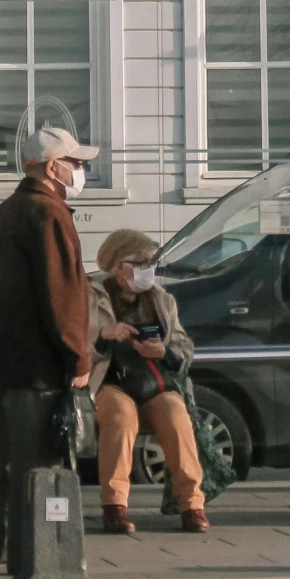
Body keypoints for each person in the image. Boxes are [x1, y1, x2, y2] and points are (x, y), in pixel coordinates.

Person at [0, 120, 96, 576]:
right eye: (75, 162)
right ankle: (32, 554)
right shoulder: (50, 215)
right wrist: (78, 356)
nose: (80, 170)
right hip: (38, 361)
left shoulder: (2, 213)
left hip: (1, 355)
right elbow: (61, 294)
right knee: (37, 461)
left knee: (1, 460)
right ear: (50, 167)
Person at [89, 228, 207, 537]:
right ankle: (114, 507)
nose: (147, 269)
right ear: (117, 265)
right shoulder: (91, 296)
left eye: (151, 262)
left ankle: (192, 506)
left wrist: (164, 352)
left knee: (175, 415)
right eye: (139, 262)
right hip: (110, 380)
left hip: (153, 380)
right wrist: (105, 337)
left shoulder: (161, 299)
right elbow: (76, 348)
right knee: (120, 416)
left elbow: (184, 347)